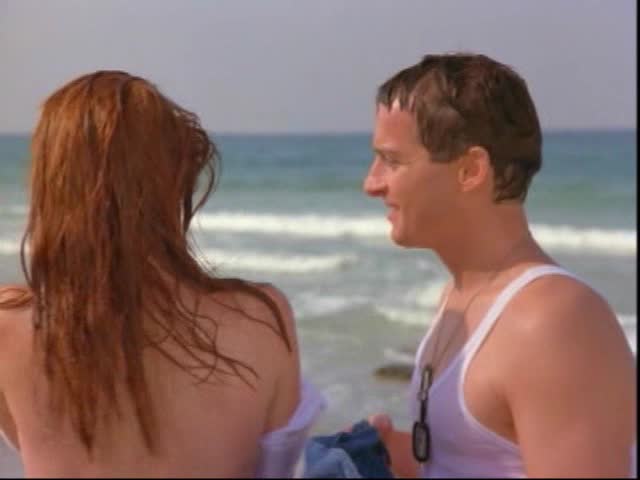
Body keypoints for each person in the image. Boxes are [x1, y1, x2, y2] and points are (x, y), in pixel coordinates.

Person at [0, 71, 325, 477]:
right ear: (175, 179)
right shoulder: (261, 319)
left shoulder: (9, 327)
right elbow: (279, 470)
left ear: (50, 185)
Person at [361, 53, 636, 478]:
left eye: (392, 161)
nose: (371, 183)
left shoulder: (551, 320)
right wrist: (395, 455)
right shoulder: (457, 298)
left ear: (471, 170)